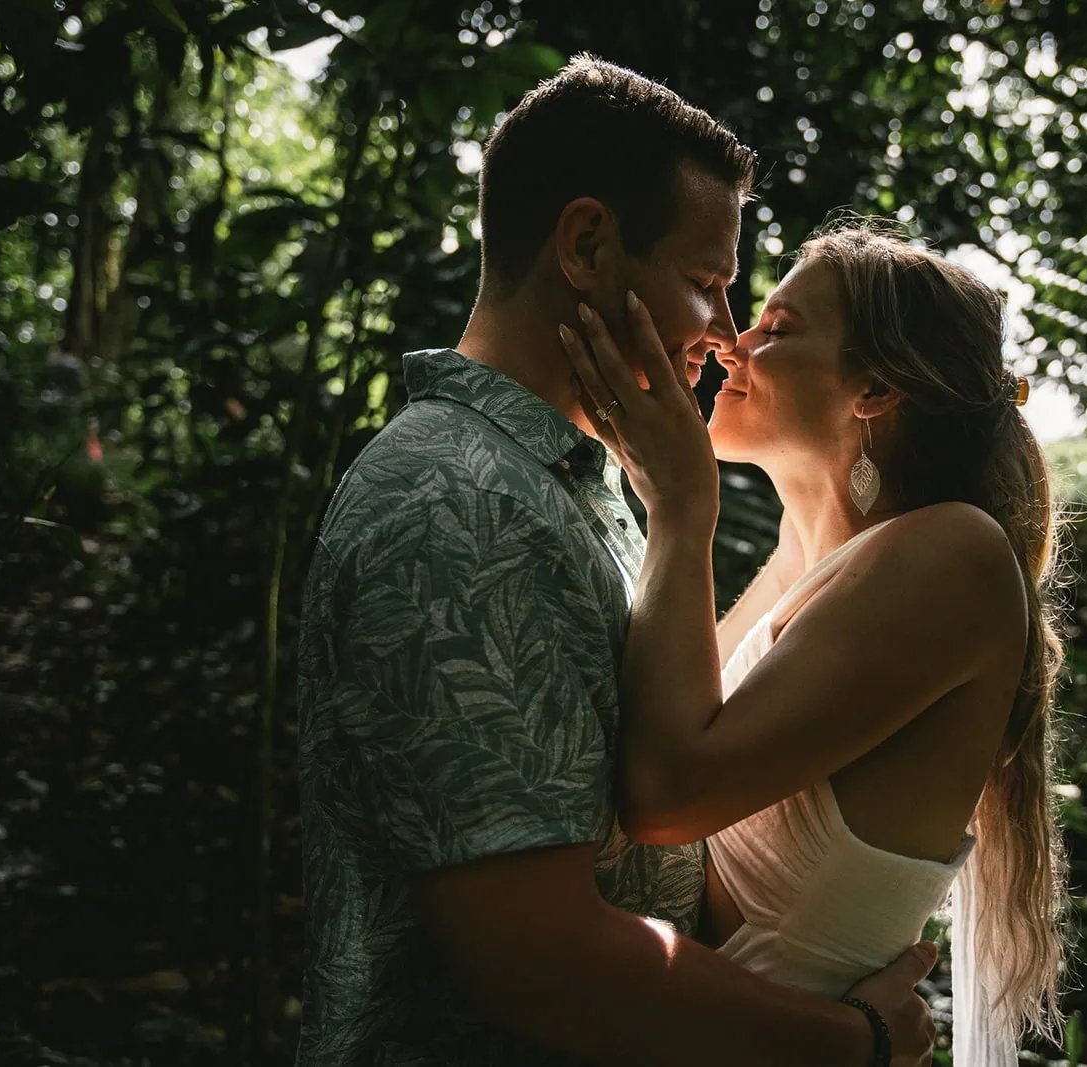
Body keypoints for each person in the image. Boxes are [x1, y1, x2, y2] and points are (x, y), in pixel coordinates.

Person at [294, 57, 938, 1066]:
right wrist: (845, 1039)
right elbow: (544, 962)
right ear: (588, 244)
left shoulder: (571, 487)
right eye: (704, 283)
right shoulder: (458, 505)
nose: (725, 336)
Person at [558, 220, 1071, 1066]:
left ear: (873, 385)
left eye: (779, 329)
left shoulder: (956, 555)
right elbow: (646, 718)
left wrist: (684, 506)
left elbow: (662, 797)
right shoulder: (808, 565)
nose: (732, 342)